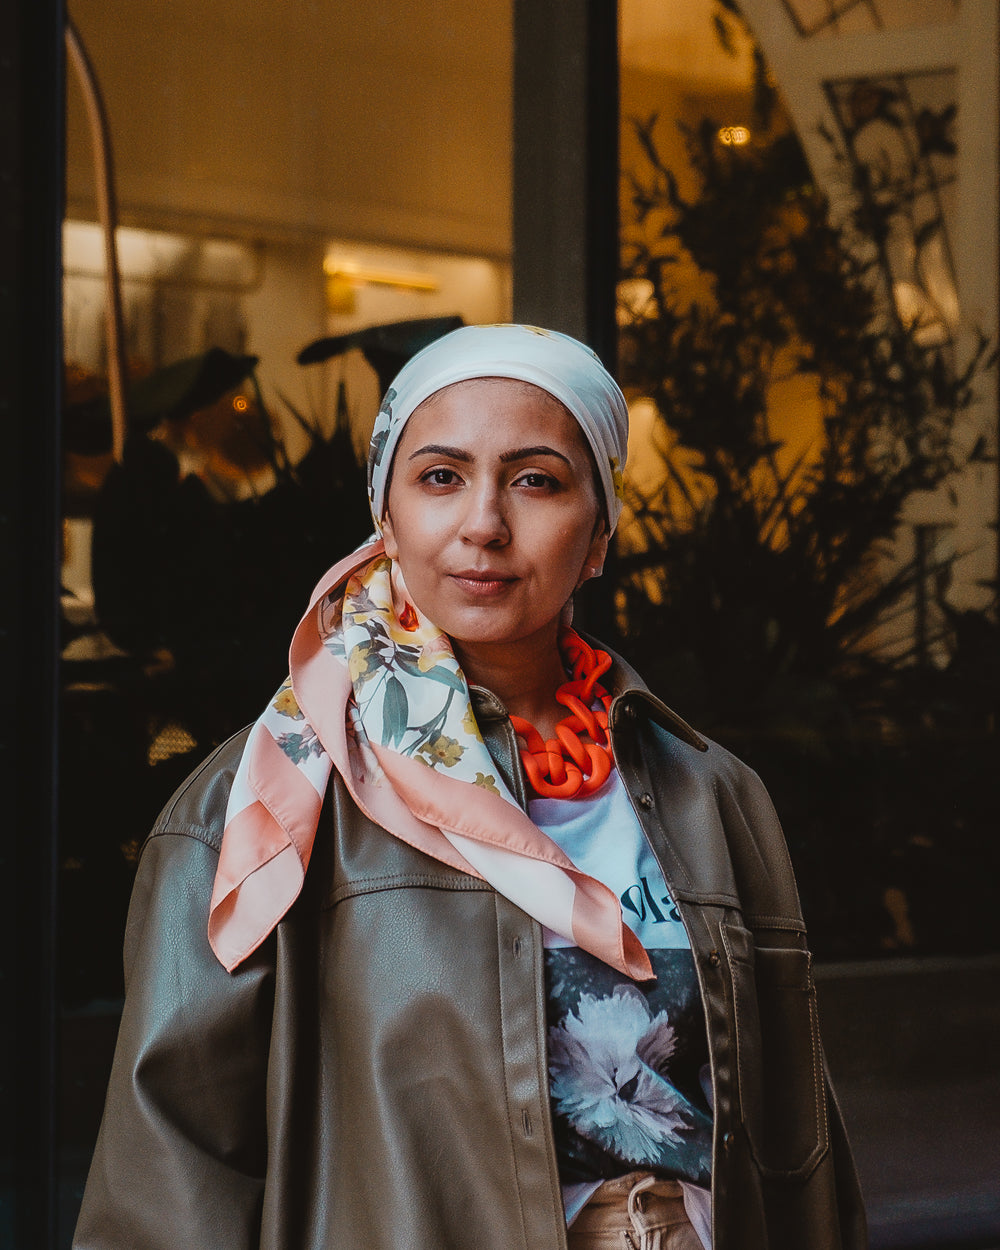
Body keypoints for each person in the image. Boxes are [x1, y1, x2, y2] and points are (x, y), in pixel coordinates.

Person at [74, 324, 867, 1250]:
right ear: (388, 518)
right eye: (441, 477)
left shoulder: (712, 794)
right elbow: (170, 1176)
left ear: (600, 530)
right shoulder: (266, 802)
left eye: (536, 480)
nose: (484, 522)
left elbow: (794, 1137)